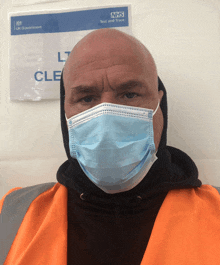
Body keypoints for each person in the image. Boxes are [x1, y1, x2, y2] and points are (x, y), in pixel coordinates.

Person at [1, 28, 220, 265]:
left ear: (159, 106)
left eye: (129, 94)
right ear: (65, 112)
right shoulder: (11, 215)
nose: (105, 116)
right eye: (86, 98)